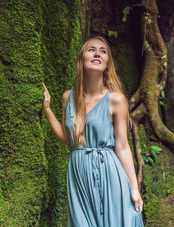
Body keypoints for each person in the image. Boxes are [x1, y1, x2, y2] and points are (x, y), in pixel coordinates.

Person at [42, 35, 144, 226]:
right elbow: (66, 139)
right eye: (91, 49)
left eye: (102, 51)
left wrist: (134, 188)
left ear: (107, 64)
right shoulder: (68, 97)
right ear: (81, 60)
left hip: (110, 174)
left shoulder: (116, 100)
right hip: (79, 175)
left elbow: (122, 147)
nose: (97, 53)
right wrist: (47, 110)